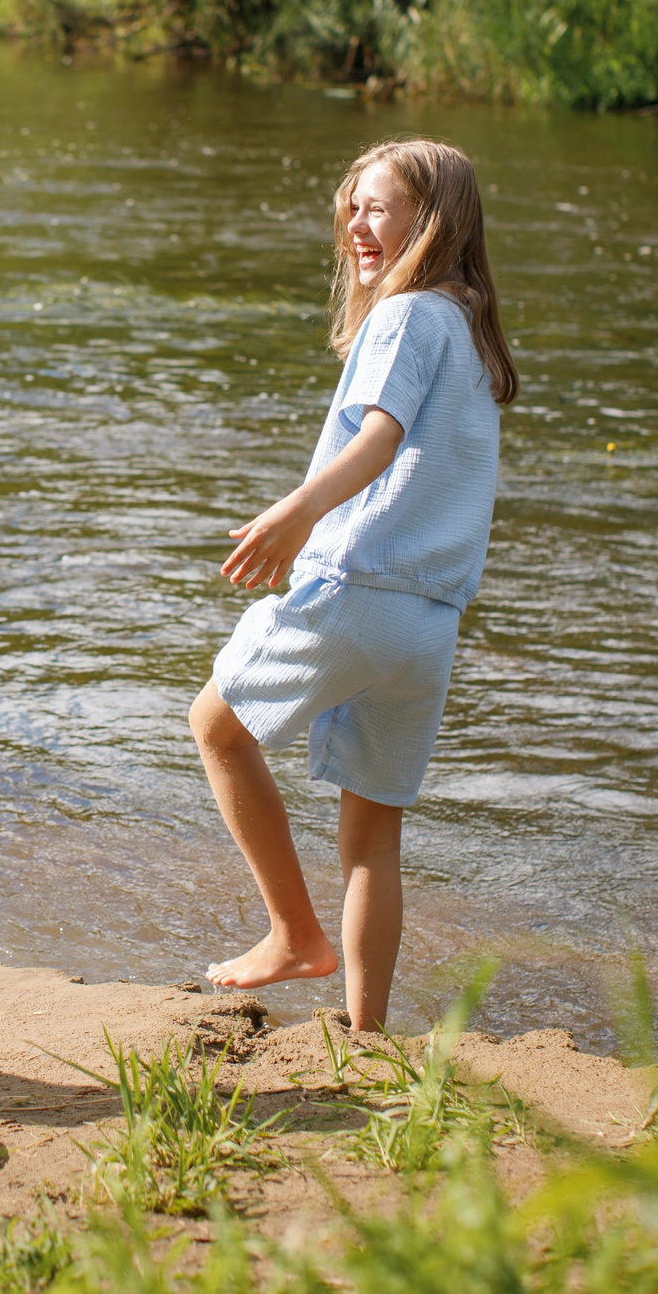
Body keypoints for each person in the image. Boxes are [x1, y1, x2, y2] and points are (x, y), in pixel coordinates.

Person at [193, 139, 516, 1033]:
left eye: (379, 206)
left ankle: (295, 934)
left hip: (361, 584)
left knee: (215, 726)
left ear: (433, 221)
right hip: (430, 622)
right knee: (373, 830)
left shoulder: (407, 315)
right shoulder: (471, 328)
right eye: (353, 206)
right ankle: (366, 1031)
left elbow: (378, 437)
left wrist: (299, 510)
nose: (356, 222)